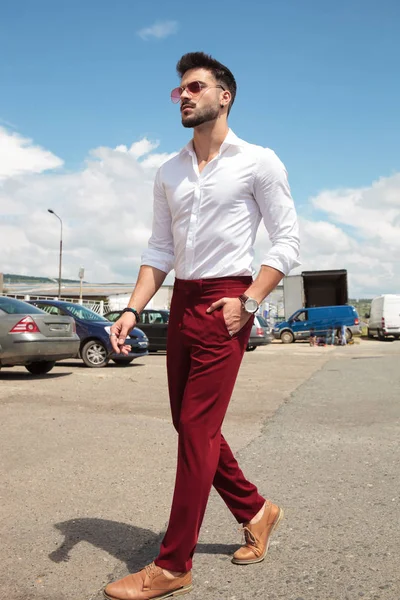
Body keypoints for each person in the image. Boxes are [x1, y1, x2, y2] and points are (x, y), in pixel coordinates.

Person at [104, 52, 300, 600]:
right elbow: (160, 248)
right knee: (191, 427)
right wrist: (132, 308)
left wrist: (251, 300)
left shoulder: (259, 161)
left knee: (195, 429)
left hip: (226, 302)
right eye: (178, 91)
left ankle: (173, 564)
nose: (184, 97)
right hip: (184, 299)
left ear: (224, 95)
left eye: (194, 87)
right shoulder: (168, 170)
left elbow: (287, 241)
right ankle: (256, 511)